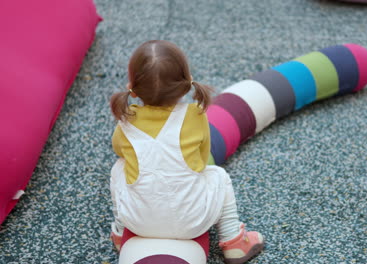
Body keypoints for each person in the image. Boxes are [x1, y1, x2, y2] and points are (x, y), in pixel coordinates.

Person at [108, 40, 264, 263]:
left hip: (139, 222)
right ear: (184, 83)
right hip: (192, 220)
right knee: (218, 175)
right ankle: (233, 240)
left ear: (133, 86)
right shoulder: (195, 115)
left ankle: (120, 231)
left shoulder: (127, 120)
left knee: (119, 167)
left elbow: (118, 149)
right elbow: (201, 161)